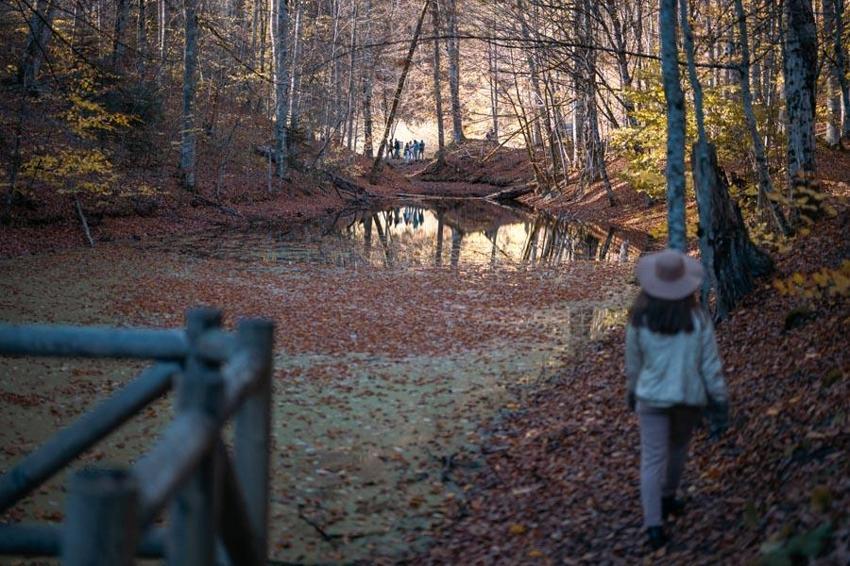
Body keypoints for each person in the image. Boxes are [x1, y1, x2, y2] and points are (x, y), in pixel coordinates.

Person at [625, 249, 729, 550]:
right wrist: (719, 401)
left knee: (652, 459)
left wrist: (632, 391)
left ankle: (653, 525)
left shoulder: (639, 319)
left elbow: (634, 364)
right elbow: (710, 365)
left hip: (651, 399)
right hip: (687, 398)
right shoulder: (697, 319)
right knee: (678, 450)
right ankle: (669, 496)